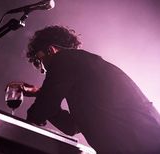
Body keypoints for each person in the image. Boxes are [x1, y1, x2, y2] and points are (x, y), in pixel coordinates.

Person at [9, 25, 160, 153]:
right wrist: (40, 95)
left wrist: (17, 137)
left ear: (51, 50)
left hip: (141, 143)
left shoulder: (64, 59)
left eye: (38, 60)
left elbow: (42, 109)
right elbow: (72, 126)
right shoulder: (83, 74)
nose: (42, 70)